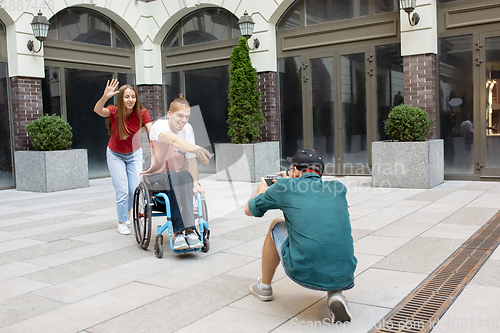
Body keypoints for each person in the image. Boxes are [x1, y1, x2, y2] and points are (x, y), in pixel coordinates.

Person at [244, 149, 357, 322]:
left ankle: (264, 287)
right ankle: (335, 293)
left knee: (276, 225)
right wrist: (291, 182)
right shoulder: (338, 188)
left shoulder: (283, 188)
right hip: (344, 274)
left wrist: (263, 191)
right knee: (326, 233)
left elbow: (249, 210)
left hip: (303, 271)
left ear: (295, 170)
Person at [141, 95, 214, 251]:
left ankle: (190, 230)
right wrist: (195, 147)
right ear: (169, 114)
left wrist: (195, 183)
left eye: (187, 116)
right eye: (180, 115)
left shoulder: (187, 129)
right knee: (174, 175)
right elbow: (173, 140)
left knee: (186, 176)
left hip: (177, 177)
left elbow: (191, 160)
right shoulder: (159, 127)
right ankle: (178, 232)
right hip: (157, 177)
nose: (183, 120)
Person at [94, 79, 152, 235]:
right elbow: (98, 110)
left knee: (134, 189)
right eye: (127, 97)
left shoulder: (142, 113)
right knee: (122, 190)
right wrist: (105, 97)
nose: (130, 100)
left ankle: (126, 211)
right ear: (121, 99)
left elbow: (151, 131)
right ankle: (122, 222)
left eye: (133, 97)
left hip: (134, 154)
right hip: (115, 155)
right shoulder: (114, 111)